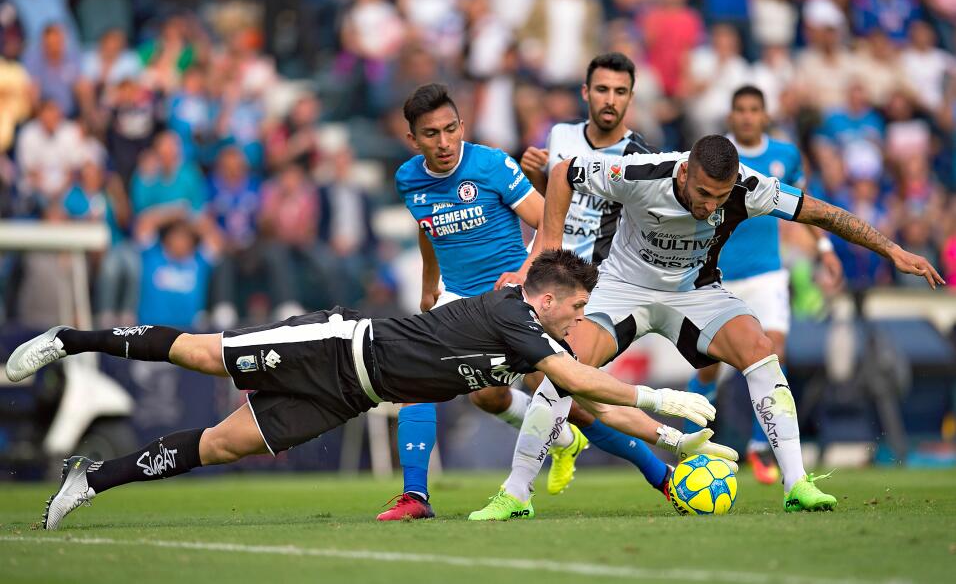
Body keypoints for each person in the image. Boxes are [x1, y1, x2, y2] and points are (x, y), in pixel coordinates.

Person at [5, 249, 730, 530]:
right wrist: (659, 397)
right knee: (201, 353)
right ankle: (72, 339)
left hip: (348, 394)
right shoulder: (516, 312)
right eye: (577, 307)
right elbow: (573, 375)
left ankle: (91, 479)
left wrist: (665, 438)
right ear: (552, 297)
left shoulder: (532, 335)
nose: (581, 319)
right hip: (335, 344)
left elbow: (581, 398)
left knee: (224, 445)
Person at [474, 134, 943, 517]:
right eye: (701, 193)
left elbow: (824, 213)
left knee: (760, 349)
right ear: (684, 172)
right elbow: (563, 172)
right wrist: (548, 247)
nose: (708, 205)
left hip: (694, 293)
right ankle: (516, 494)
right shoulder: (643, 172)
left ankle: (797, 483)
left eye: (718, 197)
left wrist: (893, 251)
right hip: (623, 289)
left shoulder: (750, 186)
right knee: (563, 368)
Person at [382, 82, 562, 521]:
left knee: (545, 388)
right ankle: (415, 497)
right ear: (413, 139)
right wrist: (431, 284)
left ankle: (653, 471)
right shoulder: (408, 177)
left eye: (450, 130)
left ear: (462, 125)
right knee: (418, 381)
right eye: (431, 134)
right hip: (456, 298)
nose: (443, 143)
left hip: (509, 297)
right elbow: (429, 227)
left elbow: (547, 221)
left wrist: (523, 275)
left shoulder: (491, 164)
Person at [514, 52, 671, 503]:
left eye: (620, 92)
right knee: (510, 388)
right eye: (602, 89)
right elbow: (555, 207)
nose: (610, 99)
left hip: (588, 290)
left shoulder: (640, 156)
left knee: (565, 388)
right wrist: (533, 178)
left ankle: (659, 470)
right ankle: (569, 442)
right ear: (586, 93)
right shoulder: (561, 134)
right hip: (540, 278)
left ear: (631, 98)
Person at [685, 85, 844, 485]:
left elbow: (802, 207)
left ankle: (760, 446)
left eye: (754, 109)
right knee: (709, 367)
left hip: (767, 272)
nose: (748, 116)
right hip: (717, 274)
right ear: (732, 115)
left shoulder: (786, 155)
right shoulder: (717, 158)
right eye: (740, 109)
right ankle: (688, 440)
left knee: (774, 350)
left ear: (765, 114)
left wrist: (824, 248)